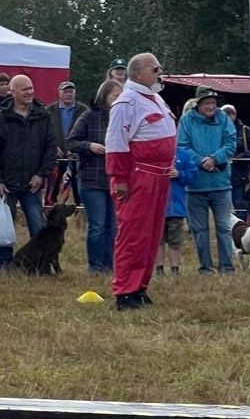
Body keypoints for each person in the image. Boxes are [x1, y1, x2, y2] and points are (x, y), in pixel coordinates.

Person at [106, 54, 177, 310]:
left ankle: (140, 287)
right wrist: (119, 178)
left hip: (159, 176)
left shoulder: (154, 98)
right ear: (137, 73)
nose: (160, 72)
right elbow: (116, 143)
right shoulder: (126, 103)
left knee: (151, 236)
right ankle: (125, 291)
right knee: (134, 235)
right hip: (139, 177)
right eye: (154, 68)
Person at [178, 85, 238, 274]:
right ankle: (205, 267)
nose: (211, 106)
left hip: (221, 184)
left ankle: (227, 267)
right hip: (195, 185)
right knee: (200, 230)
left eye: (213, 102)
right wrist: (201, 161)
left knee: (224, 227)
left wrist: (215, 158)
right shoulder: (186, 121)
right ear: (198, 104)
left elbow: (231, 142)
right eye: (207, 103)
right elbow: (182, 145)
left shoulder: (223, 119)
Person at [65, 79, 121, 273]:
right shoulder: (89, 116)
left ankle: (112, 265)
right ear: (104, 96)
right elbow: (71, 142)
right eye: (115, 96)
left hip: (115, 179)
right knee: (97, 225)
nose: (118, 99)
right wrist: (89, 146)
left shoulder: (122, 118)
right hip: (92, 179)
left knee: (112, 227)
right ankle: (96, 267)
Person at [0, 75, 58, 253]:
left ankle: (40, 263)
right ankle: (4, 264)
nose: (30, 92)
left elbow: (50, 147)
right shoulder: (2, 117)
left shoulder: (43, 116)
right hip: (6, 184)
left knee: (38, 226)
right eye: (25, 89)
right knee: (3, 227)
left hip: (32, 184)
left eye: (31, 88)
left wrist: (41, 174)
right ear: (13, 91)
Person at [156, 145, 196, 277]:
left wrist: (179, 174)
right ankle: (159, 270)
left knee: (175, 241)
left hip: (176, 208)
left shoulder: (182, 154)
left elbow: (192, 175)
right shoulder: (154, 154)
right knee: (158, 241)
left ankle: (175, 270)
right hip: (157, 208)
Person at [48, 80, 89, 205]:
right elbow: (45, 132)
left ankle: (78, 211)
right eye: (65, 92)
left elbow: (87, 132)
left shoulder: (84, 110)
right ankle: (50, 210)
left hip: (76, 156)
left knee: (77, 186)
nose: (68, 94)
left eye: (71, 91)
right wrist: (53, 147)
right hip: (55, 155)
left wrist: (76, 147)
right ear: (59, 93)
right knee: (52, 187)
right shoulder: (49, 110)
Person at [220, 104, 250, 219]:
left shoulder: (245, 131)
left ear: (233, 115)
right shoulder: (218, 131)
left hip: (240, 174)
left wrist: (240, 157)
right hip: (222, 174)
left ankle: (241, 228)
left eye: (229, 114)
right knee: (223, 206)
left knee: (239, 203)